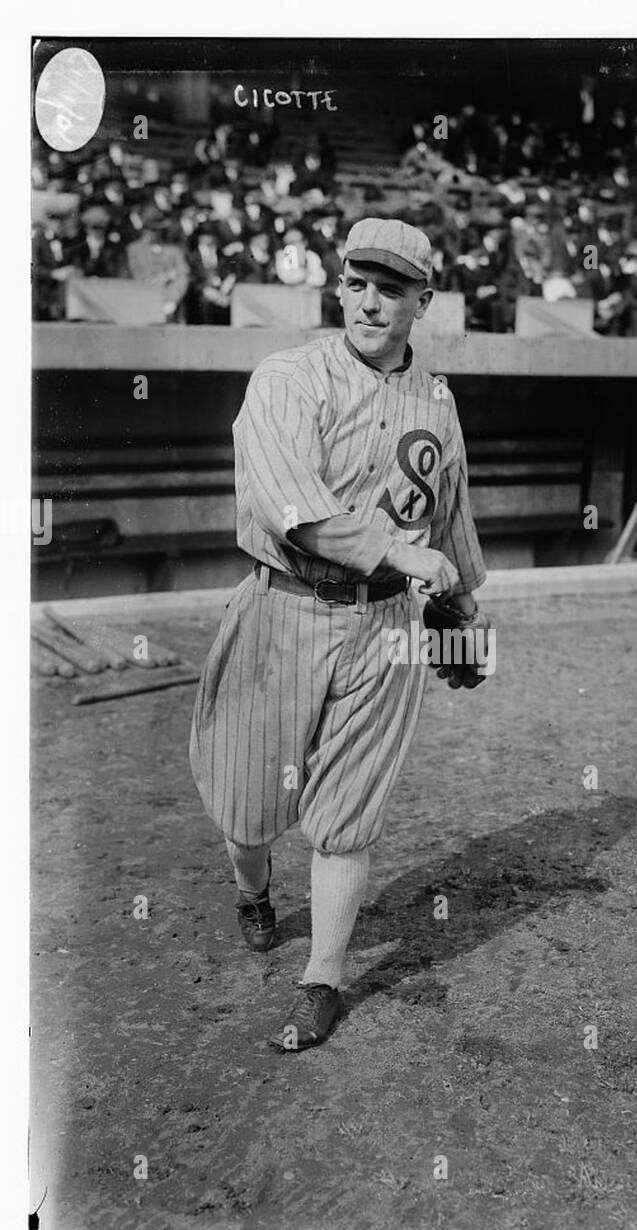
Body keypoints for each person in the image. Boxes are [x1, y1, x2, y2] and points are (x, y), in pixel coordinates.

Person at [189, 218, 490, 1051]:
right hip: (285, 607)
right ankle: (252, 890)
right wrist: (401, 551)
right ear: (338, 285)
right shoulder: (287, 378)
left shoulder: (436, 398)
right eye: (356, 282)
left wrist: (461, 609)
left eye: (390, 289)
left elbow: (449, 513)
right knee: (249, 808)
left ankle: (321, 978)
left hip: (385, 623)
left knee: (347, 813)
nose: (367, 302)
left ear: (422, 302)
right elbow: (297, 512)